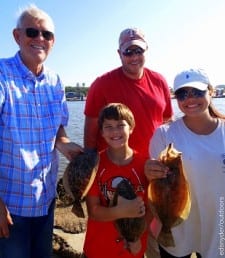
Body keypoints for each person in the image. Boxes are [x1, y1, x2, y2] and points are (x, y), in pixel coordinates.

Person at [0, 5, 82, 258]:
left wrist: (66, 145)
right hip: (10, 208)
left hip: (46, 203)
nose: (39, 39)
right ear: (17, 36)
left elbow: (58, 129)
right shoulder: (2, 74)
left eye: (46, 34)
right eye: (32, 32)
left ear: (53, 41)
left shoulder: (55, 81)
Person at [145, 68, 225, 258]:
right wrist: (150, 171)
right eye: (182, 94)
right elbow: (157, 186)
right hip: (177, 229)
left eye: (197, 92)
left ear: (211, 91)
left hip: (219, 226)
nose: (190, 99)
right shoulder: (164, 134)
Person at [84, 27, 173, 158]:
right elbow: (90, 132)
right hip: (117, 167)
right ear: (119, 53)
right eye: (128, 52)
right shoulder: (101, 84)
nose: (134, 57)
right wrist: (89, 160)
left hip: (155, 162)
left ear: (146, 50)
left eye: (139, 51)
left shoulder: (159, 81)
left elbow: (167, 121)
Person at [83, 103, 150, 258]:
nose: (115, 131)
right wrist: (121, 211)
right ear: (101, 132)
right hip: (98, 248)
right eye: (108, 126)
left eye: (121, 125)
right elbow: (93, 212)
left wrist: (137, 238)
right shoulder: (95, 164)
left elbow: (151, 208)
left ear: (131, 128)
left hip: (132, 249)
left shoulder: (145, 165)